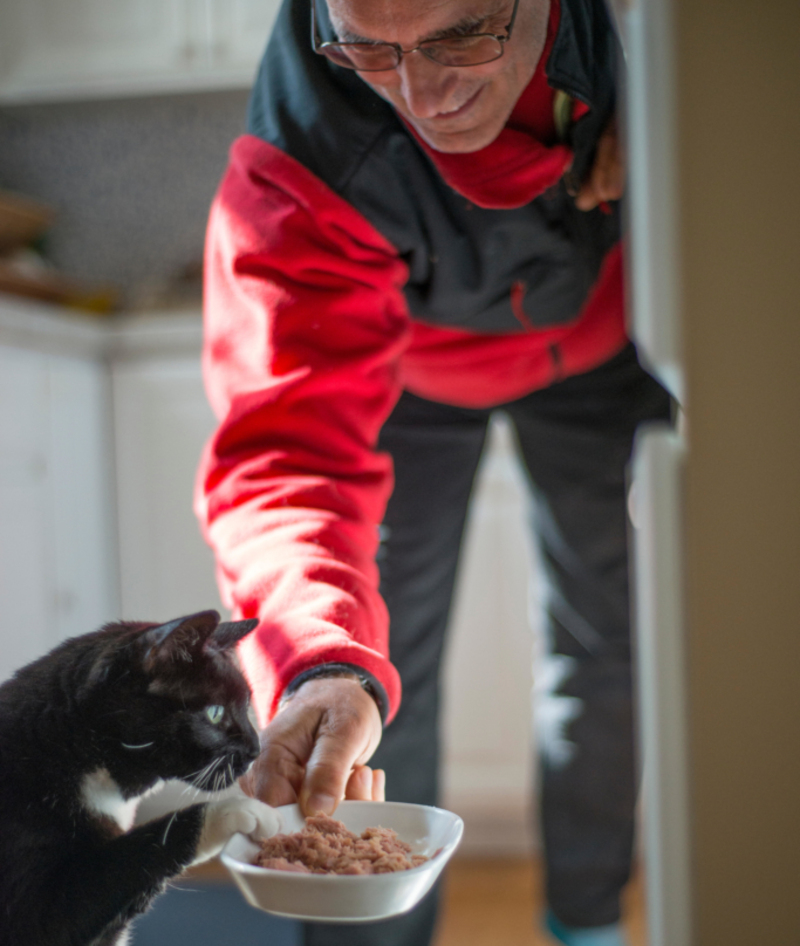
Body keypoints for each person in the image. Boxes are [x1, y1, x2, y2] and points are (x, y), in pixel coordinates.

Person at [195, 0, 673, 943]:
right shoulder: (301, 160)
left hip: (602, 353)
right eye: (370, 48)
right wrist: (316, 658)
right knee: (367, 688)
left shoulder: (661, 45)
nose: (423, 95)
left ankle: (587, 923)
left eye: (462, 38)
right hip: (402, 371)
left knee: (605, 650)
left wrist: (661, 115)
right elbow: (287, 448)